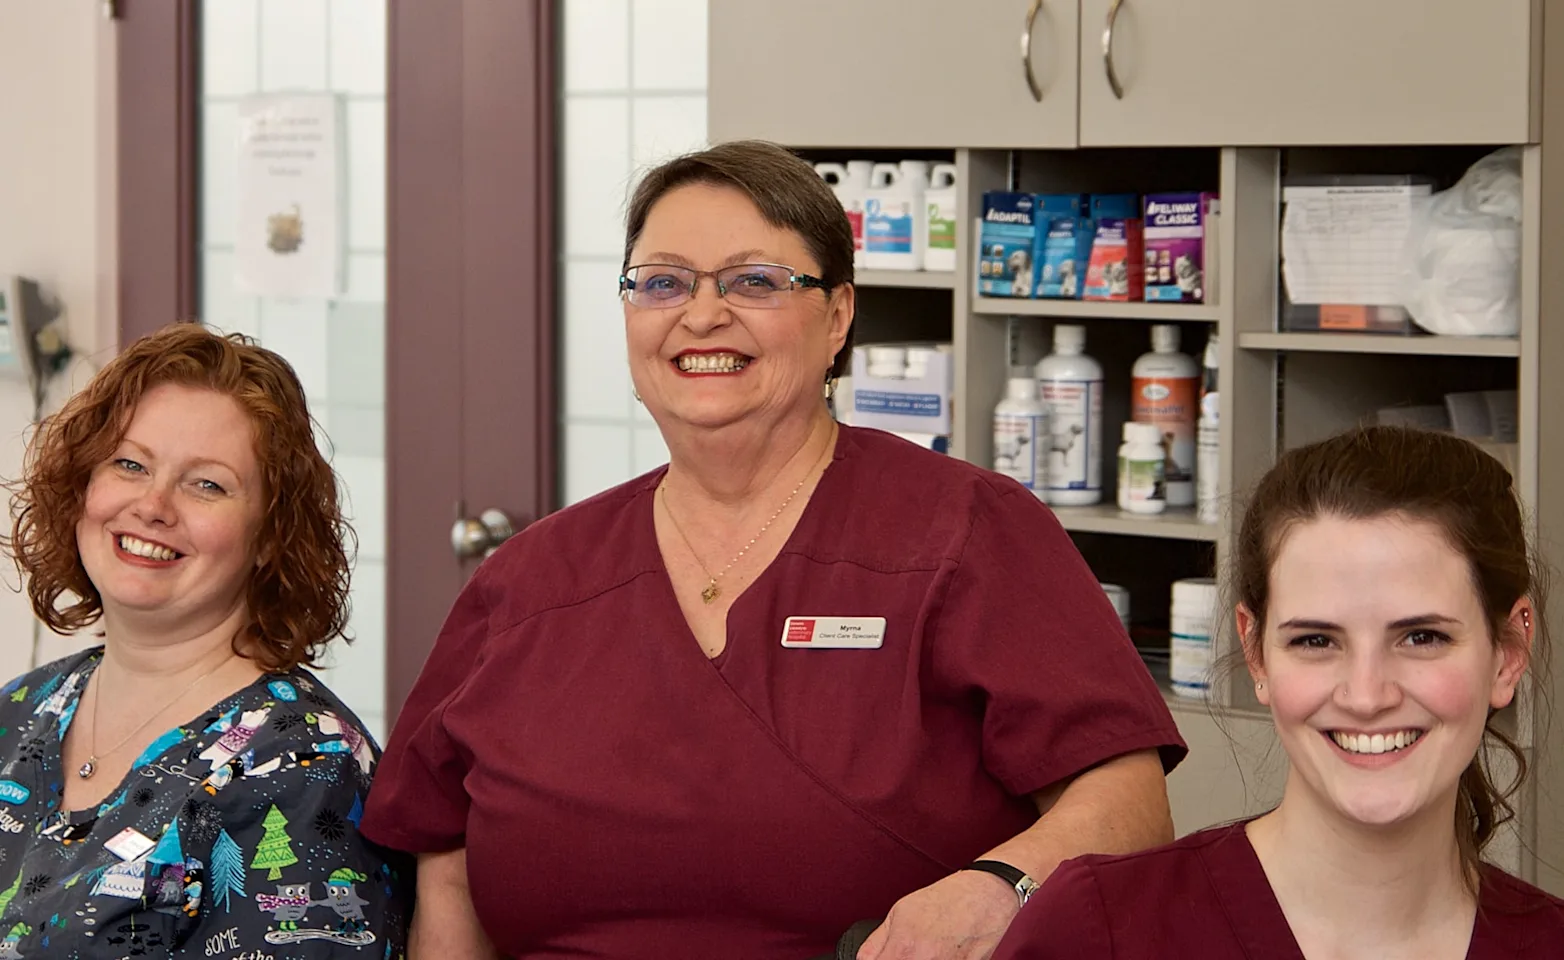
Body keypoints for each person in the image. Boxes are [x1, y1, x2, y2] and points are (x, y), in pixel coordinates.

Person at [362, 139, 1186, 960]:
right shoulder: (532, 579)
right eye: (663, 282)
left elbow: (1126, 799)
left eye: (755, 281)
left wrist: (1003, 886)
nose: (702, 314)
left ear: (837, 318)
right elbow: (443, 851)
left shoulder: (966, 529)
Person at [993, 425, 1564, 959]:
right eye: (1316, 640)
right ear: (1256, 651)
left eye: (1422, 637)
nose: (1366, 696)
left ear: (1508, 654)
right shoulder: (1100, 932)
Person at [0, 323, 411, 956]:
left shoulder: (302, 767)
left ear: (271, 536)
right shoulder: (21, 708)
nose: (153, 504)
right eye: (129, 464)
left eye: (207, 484)